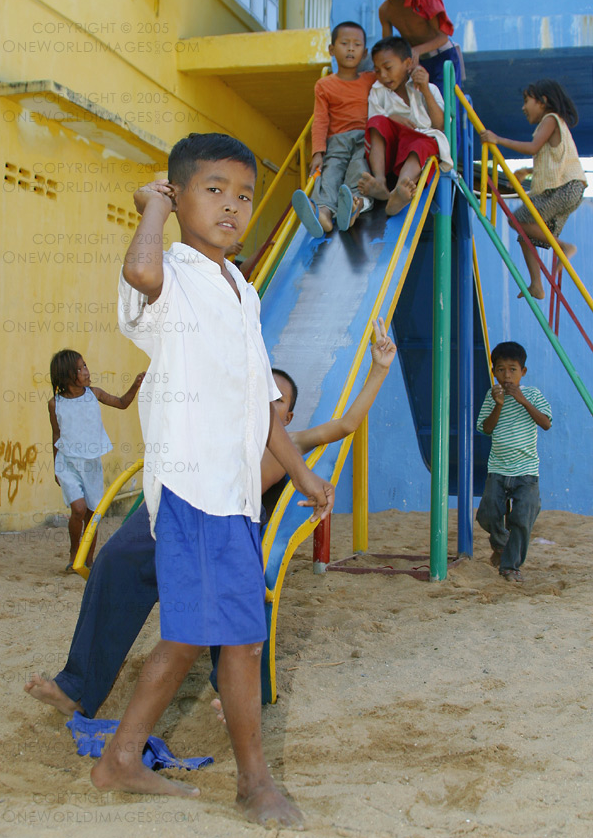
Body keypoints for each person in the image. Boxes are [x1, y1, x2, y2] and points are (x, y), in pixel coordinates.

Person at [91, 132, 334, 828]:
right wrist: (149, 210)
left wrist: (302, 472)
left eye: (245, 195)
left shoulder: (243, 293)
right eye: (213, 190)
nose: (233, 206)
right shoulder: (170, 270)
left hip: (233, 498)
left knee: (216, 635)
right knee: (225, 636)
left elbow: (263, 406)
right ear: (178, 194)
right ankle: (253, 783)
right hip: (192, 491)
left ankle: (122, 758)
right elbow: (139, 276)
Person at [25, 320, 396, 722]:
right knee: (115, 563)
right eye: (260, 396)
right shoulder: (216, 429)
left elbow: (345, 425)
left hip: (228, 527)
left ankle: (232, 695)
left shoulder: (293, 442)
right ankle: (76, 689)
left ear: (286, 418)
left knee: (234, 586)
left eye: (277, 403)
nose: (266, 407)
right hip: (181, 509)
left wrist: (378, 368)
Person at [479, 79, 586, 300]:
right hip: (566, 190)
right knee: (525, 234)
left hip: (563, 189)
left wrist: (497, 139)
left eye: (527, 100)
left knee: (516, 219)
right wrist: (528, 170)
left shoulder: (550, 119)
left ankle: (563, 247)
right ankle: (536, 285)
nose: (523, 107)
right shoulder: (556, 124)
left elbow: (533, 147)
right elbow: (553, 157)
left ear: (543, 101)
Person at [48, 349, 144, 570]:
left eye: (85, 366)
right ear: (66, 376)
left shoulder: (95, 394)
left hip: (91, 464)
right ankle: (74, 553)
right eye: (80, 369)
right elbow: (56, 435)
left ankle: (88, 557)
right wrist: (56, 467)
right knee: (79, 510)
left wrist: (136, 385)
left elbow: (121, 403)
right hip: (68, 463)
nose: (86, 371)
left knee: (93, 513)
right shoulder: (55, 404)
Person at [291, 21, 377, 238]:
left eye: (357, 45)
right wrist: (318, 153)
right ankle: (324, 214)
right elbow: (320, 120)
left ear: (365, 52)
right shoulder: (324, 85)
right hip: (336, 140)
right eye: (344, 43)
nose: (350, 49)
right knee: (331, 173)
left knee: (359, 168)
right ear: (331, 49)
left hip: (363, 138)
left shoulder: (371, 80)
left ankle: (351, 208)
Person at [476, 342, 551, 584]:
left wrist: (523, 401)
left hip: (527, 471)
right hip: (498, 469)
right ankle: (501, 546)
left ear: (523, 372)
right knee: (487, 515)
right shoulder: (492, 395)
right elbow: (486, 429)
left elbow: (546, 423)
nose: (507, 376)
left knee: (522, 518)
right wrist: (498, 405)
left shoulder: (533, 395)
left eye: (512, 370)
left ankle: (510, 567)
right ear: (494, 372)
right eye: (500, 370)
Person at [358, 36, 452, 217]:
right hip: (390, 154)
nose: (383, 75)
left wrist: (424, 89)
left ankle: (401, 190)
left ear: (408, 63)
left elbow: (440, 125)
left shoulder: (428, 88)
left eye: (388, 68)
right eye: (377, 71)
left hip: (418, 149)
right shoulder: (378, 91)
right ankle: (379, 181)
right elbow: (373, 123)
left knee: (421, 143)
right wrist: (391, 118)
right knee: (377, 121)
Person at [376, 0, 463, 94]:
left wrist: (416, 50)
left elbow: (443, 37)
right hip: (416, 63)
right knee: (421, 109)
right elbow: (388, 48)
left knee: (446, 108)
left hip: (443, 57)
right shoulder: (384, 10)